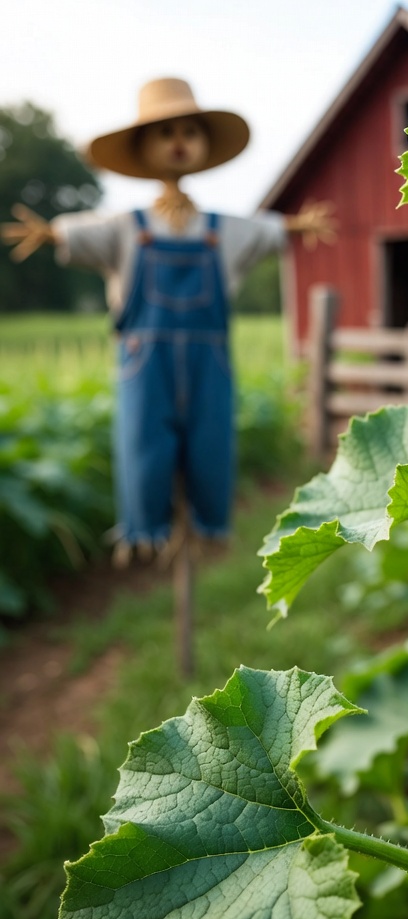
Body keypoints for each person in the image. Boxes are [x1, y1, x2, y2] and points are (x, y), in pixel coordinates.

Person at [2, 78, 334, 563]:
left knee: (212, 443)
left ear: (203, 145)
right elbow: (81, 233)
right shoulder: (126, 228)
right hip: (144, 360)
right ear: (143, 148)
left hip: (210, 361)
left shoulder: (224, 229)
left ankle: (209, 524)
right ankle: (144, 527)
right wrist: (50, 232)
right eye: (165, 133)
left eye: (188, 132)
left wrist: (296, 226)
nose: (178, 143)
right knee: (142, 444)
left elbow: (265, 230)